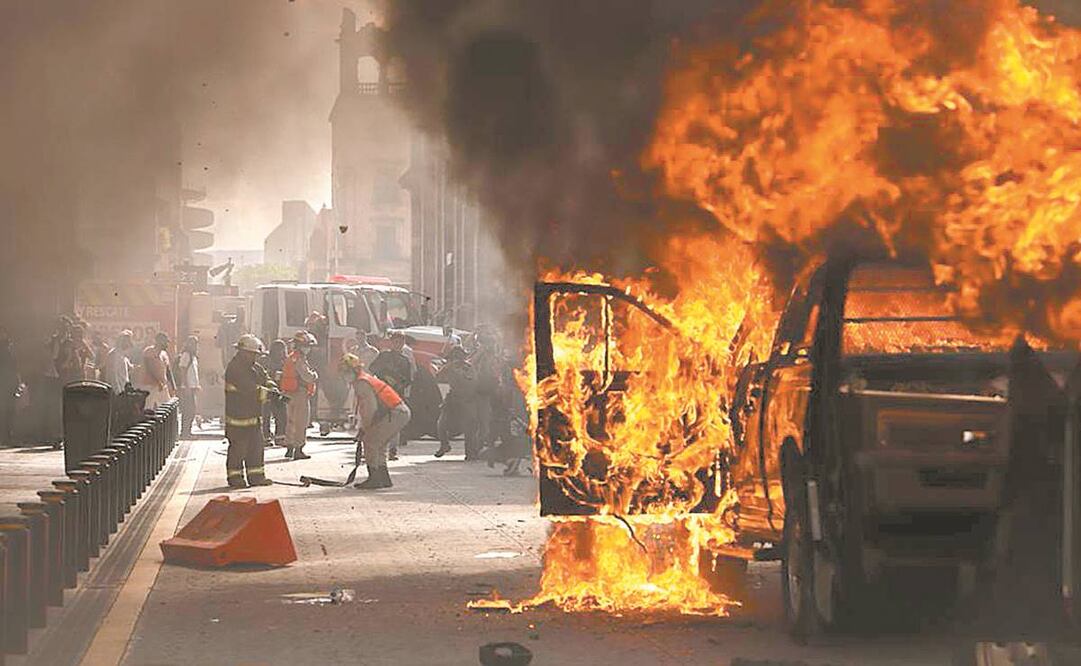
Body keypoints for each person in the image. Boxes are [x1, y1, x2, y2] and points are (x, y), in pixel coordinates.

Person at [349, 357, 411, 490]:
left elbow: (370, 408)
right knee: (380, 444)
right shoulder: (365, 378)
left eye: (345, 371)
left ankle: (374, 478)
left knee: (371, 442)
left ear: (352, 370)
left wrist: (365, 429)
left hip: (394, 413)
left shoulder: (361, 383)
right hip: (399, 411)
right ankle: (384, 478)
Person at [224, 334, 275, 488]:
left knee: (256, 448)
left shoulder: (254, 367)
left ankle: (256, 477)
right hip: (237, 418)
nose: (255, 357)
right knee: (238, 450)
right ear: (243, 352)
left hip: (253, 417)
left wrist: (274, 389)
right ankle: (235, 478)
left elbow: (266, 379)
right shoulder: (234, 369)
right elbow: (250, 389)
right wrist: (270, 394)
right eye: (253, 354)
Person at [368, 332, 415, 460]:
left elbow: (408, 380)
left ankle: (393, 449)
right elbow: (372, 369)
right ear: (391, 342)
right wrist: (384, 378)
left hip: (396, 394)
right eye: (395, 342)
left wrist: (399, 384)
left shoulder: (405, 361)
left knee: (395, 423)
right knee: (377, 420)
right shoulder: (383, 356)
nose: (398, 345)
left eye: (400, 342)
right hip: (381, 392)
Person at [435, 346, 478, 458]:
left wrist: (459, 372)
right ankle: (444, 445)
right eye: (455, 356)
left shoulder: (468, 368)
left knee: (469, 426)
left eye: (459, 356)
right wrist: (447, 367)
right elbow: (438, 377)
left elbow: (471, 383)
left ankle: (470, 452)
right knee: (441, 423)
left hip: (467, 399)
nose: (457, 359)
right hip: (453, 398)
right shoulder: (449, 367)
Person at [281, 330, 318, 460]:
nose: (309, 348)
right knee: (301, 422)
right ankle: (298, 449)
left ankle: (289, 448)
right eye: (307, 345)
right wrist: (314, 375)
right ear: (301, 345)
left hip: (288, 393)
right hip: (299, 393)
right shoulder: (299, 360)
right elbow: (307, 376)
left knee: (290, 421)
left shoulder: (291, 357)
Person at [261, 339, 288, 446]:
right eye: (279, 350)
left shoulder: (284, 361)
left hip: (279, 391)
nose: (281, 352)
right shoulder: (265, 360)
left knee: (281, 414)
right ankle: (266, 437)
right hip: (266, 390)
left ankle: (280, 437)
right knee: (266, 415)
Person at [139, 332, 175, 408]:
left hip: (162, 386)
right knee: (148, 407)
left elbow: (168, 370)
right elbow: (150, 368)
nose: (167, 344)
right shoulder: (149, 351)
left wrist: (173, 385)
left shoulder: (164, 354)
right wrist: (158, 382)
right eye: (165, 342)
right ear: (160, 341)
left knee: (167, 407)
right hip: (150, 385)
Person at [176, 335, 201, 437]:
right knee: (188, 410)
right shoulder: (186, 355)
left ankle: (188, 431)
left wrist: (197, 385)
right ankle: (185, 432)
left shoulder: (194, 357)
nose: (195, 345)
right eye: (193, 343)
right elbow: (183, 370)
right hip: (187, 387)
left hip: (192, 387)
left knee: (192, 410)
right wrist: (185, 385)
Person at [0, 329, 20, 446]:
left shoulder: (8, 350)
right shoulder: (7, 350)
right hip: (6, 383)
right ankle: (6, 434)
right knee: (8, 410)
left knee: (8, 410)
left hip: (7, 383)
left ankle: (7, 434)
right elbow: (13, 367)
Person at [104, 330, 135, 394]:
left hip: (123, 387)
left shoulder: (123, 356)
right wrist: (117, 391)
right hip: (116, 390)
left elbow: (130, 367)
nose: (129, 343)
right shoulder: (114, 354)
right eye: (127, 341)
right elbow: (113, 375)